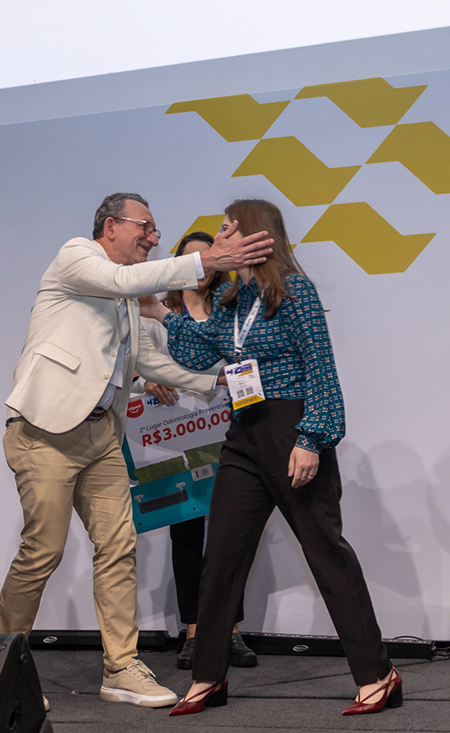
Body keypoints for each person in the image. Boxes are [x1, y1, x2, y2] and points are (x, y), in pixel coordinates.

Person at [0, 193, 273, 708]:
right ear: (110, 226)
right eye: (144, 227)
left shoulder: (124, 294)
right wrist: (207, 260)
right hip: (46, 432)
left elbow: (147, 360)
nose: (152, 237)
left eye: (154, 230)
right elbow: (123, 281)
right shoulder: (77, 256)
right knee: (43, 552)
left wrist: (213, 381)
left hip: (102, 437)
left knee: (119, 546)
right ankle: (1, 667)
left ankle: (121, 667)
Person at [141, 199, 399, 718]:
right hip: (244, 432)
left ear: (256, 236)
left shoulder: (295, 292)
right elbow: (198, 353)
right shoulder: (232, 299)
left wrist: (312, 439)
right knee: (221, 556)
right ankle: (208, 676)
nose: (220, 238)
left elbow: (321, 368)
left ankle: (378, 675)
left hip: (292, 429)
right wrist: (164, 311)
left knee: (325, 552)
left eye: (227, 229)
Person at [138, 231, 257, 671]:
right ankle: (193, 632)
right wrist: (146, 380)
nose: (201, 267)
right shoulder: (153, 314)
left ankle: (229, 629)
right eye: (191, 259)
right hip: (174, 442)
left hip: (229, 436)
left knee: (231, 536)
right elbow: (135, 368)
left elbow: (248, 370)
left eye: (207, 259)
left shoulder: (234, 313)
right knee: (186, 537)